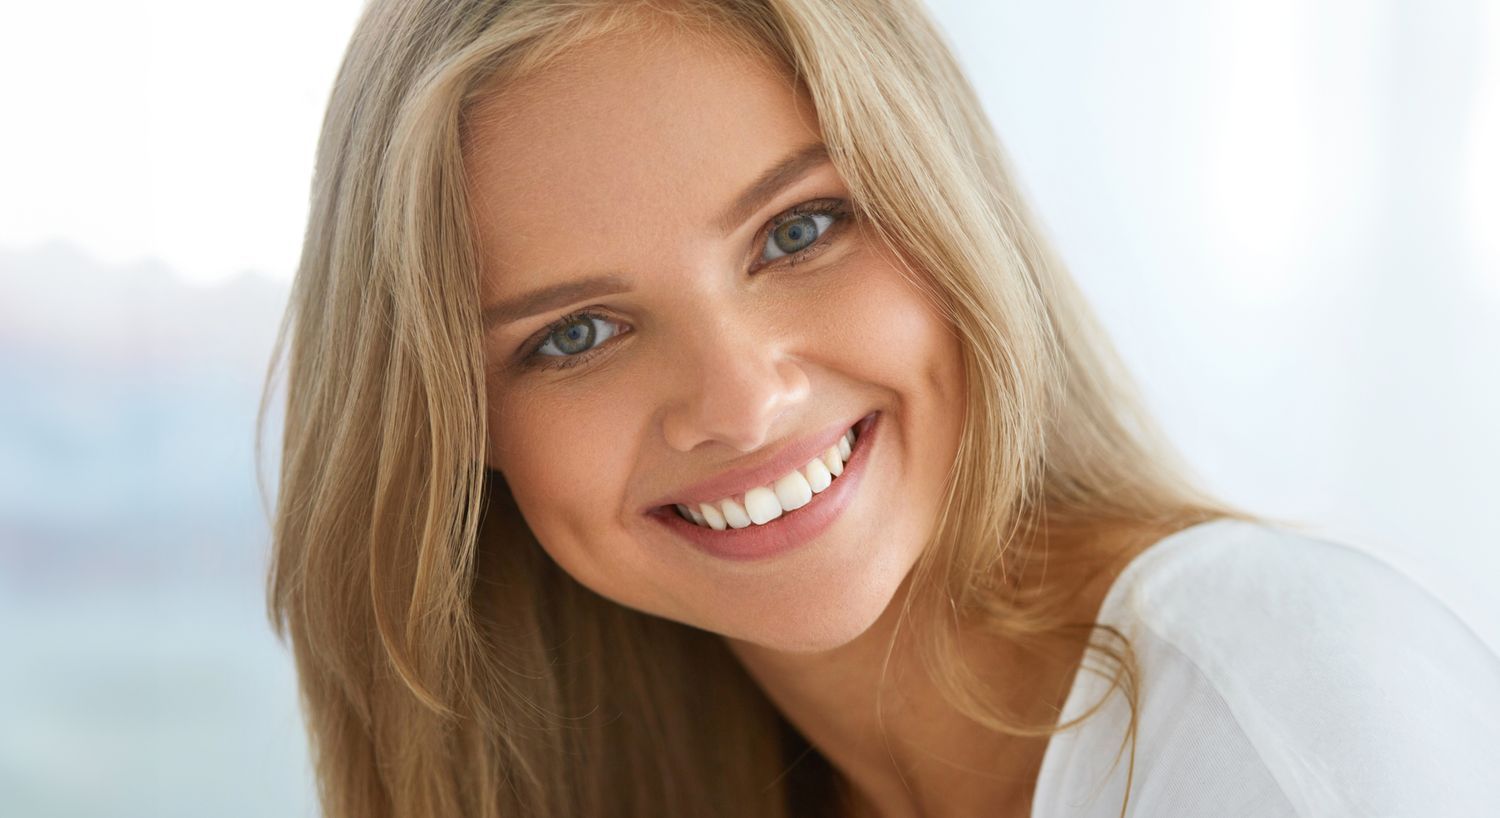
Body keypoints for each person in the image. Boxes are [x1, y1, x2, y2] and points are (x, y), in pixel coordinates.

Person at [261, 1, 1500, 816]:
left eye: (799, 230)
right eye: (574, 334)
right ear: (455, 430)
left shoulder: (1272, 685)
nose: (742, 402)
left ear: (946, 205)